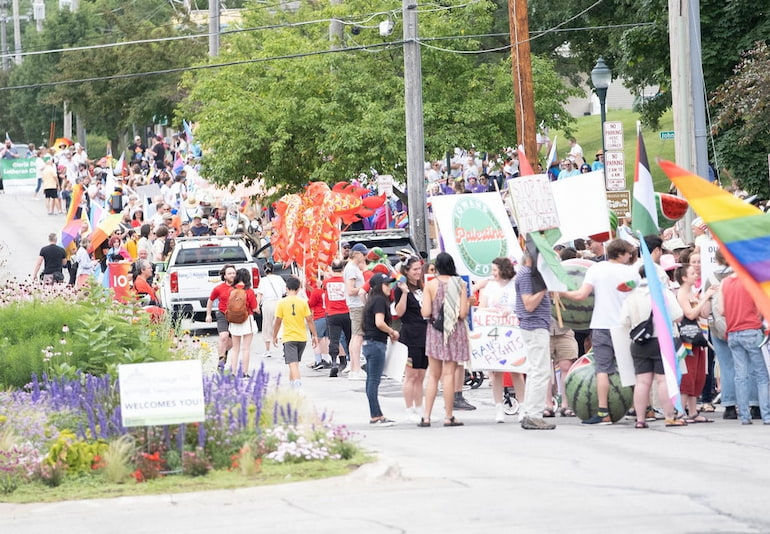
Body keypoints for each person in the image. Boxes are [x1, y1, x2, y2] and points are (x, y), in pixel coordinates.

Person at [559, 239, 640, 424]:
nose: (629, 256)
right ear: (620, 254)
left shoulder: (596, 269)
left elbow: (580, 295)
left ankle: (604, 412)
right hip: (625, 325)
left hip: (602, 324)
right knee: (631, 368)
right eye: (628, 253)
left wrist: (561, 293)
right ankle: (641, 408)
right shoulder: (632, 272)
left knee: (602, 369)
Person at [620, 265, 685, 428]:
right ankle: (669, 417)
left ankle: (640, 420)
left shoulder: (631, 295)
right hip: (661, 341)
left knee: (642, 382)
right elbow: (678, 317)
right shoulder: (663, 293)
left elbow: (624, 322)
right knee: (663, 381)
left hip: (639, 343)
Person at [419, 252, 470, 427]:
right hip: (455, 332)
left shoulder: (431, 285)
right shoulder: (460, 284)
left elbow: (425, 312)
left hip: (435, 332)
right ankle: (449, 416)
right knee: (449, 375)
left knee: (433, 375)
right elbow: (463, 313)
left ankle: (426, 416)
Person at [720, 271, 770, 425]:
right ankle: (766, 415)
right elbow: (762, 306)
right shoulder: (751, 280)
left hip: (733, 331)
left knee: (740, 376)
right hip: (751, 330)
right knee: (761, 374)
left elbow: (721, 310)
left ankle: (744, 416)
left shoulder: (725, 282)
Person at [514, 250, 557, 430]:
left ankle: (529, 412)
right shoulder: (527, 275)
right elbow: (529, 304)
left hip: (534, 325)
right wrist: (543, 289)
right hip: (535, 325)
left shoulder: (527, 275)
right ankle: (534, 414)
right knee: (540, 372)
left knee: (535, 371)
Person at [478, 257, 523, 423]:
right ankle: (499, 408)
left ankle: (523, 406)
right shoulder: (490, 286)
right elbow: (482, 307)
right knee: (496, 372)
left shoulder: (515, 284)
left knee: (516, 370)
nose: (493, 273)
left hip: (512, 330)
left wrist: (509, 311)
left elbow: (521, 305)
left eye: (495, 270)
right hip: (494, 331)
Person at [675, 263, 717, 423]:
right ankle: (681, 411)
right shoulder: (681, 294)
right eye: (692, 273)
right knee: (688, 374)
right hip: (687, 340)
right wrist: (704, 298)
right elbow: (690, 314)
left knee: (699, 375)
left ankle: (693, 411)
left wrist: (706, 297)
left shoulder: (693, 293)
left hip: (699, 338)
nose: (695, 274)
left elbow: (704, 314)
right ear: (684, 278)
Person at [362, 273, 400, 426]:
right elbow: (379, 322)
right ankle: (376, 415)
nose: (389, 287)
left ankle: (376, 414)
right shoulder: (379, 301)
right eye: (386, 284)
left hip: (369, 343)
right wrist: (392, 331)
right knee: (374, 381)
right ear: (378, 286)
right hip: (376, 343)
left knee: (371, 380)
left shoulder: (372, 300)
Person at [394, 255, 428, 423]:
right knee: (411, 375)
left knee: (421, 375)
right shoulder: (400, 288)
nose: (418, 272)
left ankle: (420, 408)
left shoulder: (423, 286)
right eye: (414, 269)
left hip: (426, 334)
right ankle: (409, 409)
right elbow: (399, 312)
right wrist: (405, 293)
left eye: (419, 269)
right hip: (410, 335)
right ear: (406, 271)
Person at [273, 276, 318, 389]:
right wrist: (315, 335)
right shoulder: (303, 302)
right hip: (301, 337)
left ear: (286, 288)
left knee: (292, 364)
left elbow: (278, 321)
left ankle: (297, 385)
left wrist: (274, 335)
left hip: (289, 337)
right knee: (295, 363)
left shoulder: (282, 303)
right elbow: (309, 320)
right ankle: (292, 386)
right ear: (298, 289)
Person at [228, 268, 259, 377]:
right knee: (246, 348)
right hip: (247, 319)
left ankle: (233, 372)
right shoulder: (249, 291)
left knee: (235, 349)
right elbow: (255, 308)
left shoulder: (231, 290)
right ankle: (245, 372)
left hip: (234, 320)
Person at [205, 264, 237, 368]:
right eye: (229, 273)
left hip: (236, 316)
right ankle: (221, 360)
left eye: (233, 273)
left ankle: (224, 352)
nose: (232, 275)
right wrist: (208, 315)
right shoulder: (218, 288)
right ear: (224, 276)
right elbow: (210, 300)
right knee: (224, 336)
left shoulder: (239, 287)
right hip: (223, 314)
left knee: (231, 343)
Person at [344, 243, 368, 380]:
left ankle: (354, 367)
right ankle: (356, 369)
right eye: (363, 254)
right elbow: (350, 290)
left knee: (355, 336)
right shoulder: (352, 269)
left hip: (356, 305)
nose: (364, 257)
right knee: (358, 337)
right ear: (357, 254)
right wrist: (365, 288)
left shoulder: (352, 268)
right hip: (357, 305)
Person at [325, 259, 352, 377]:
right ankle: (352, 362)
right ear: (343, 268)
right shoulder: (346, 281)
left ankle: (334, 362)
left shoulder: (326, 282)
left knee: (334, 339)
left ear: (332, 268)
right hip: (347, 312)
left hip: (332, 314)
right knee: (350, 338)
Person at [256, 262, 287, 358]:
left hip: (267, 304)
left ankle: (268, 350)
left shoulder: (263, 280)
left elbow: (260, 294)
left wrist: (256, 305)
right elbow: (284, 291)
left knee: (267, 326)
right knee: (281, 325)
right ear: (273, 269)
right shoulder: (279, 278)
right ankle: (284, 349)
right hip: (279, 303)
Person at [307, 272, 331, 370]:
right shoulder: (327, 291)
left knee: (316, 338)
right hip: (328, 315)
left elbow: (310, 303)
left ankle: (318, 360)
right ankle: (326, 358)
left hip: (318, 316)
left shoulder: (316, 292)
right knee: (325, 339)